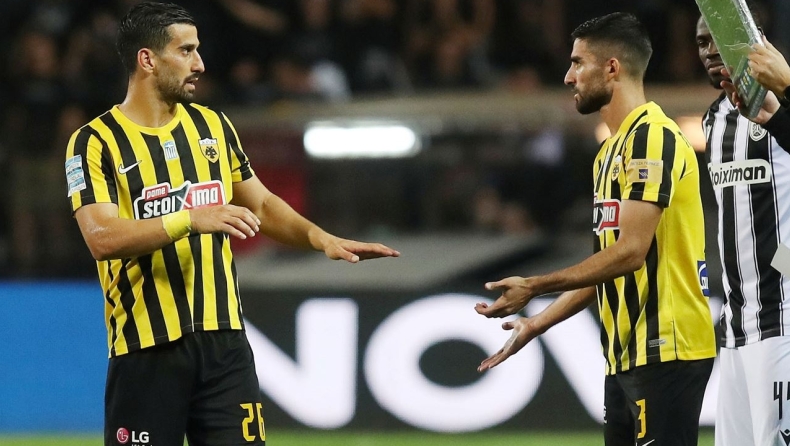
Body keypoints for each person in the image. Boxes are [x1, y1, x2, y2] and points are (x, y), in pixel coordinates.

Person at [64, 3, 399, 445]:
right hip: (146, 346)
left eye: (197, 50)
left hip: (225, 345)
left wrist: (320, 238)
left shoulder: (213, 126)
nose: (199, 64)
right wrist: (190, 218)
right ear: (147, 59)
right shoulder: (94, 142)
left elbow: (262, 204)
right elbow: (101, 237)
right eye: (186, 51)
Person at [475, 12, 716, 446]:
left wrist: (535, 285)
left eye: (577, 63)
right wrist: (537, 323)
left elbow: (631, 252)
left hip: (666, 348)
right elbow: (605, 265)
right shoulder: (608, 153)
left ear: (612, 68)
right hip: (625, 354)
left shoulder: (652, 138)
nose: (568, 77)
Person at [696, 17, 790, 446]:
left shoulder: (782, 104)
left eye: (718, 38)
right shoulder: (712, 121)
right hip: (735, 327)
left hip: (783, 318)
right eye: (701, 43)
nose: (710, 51)